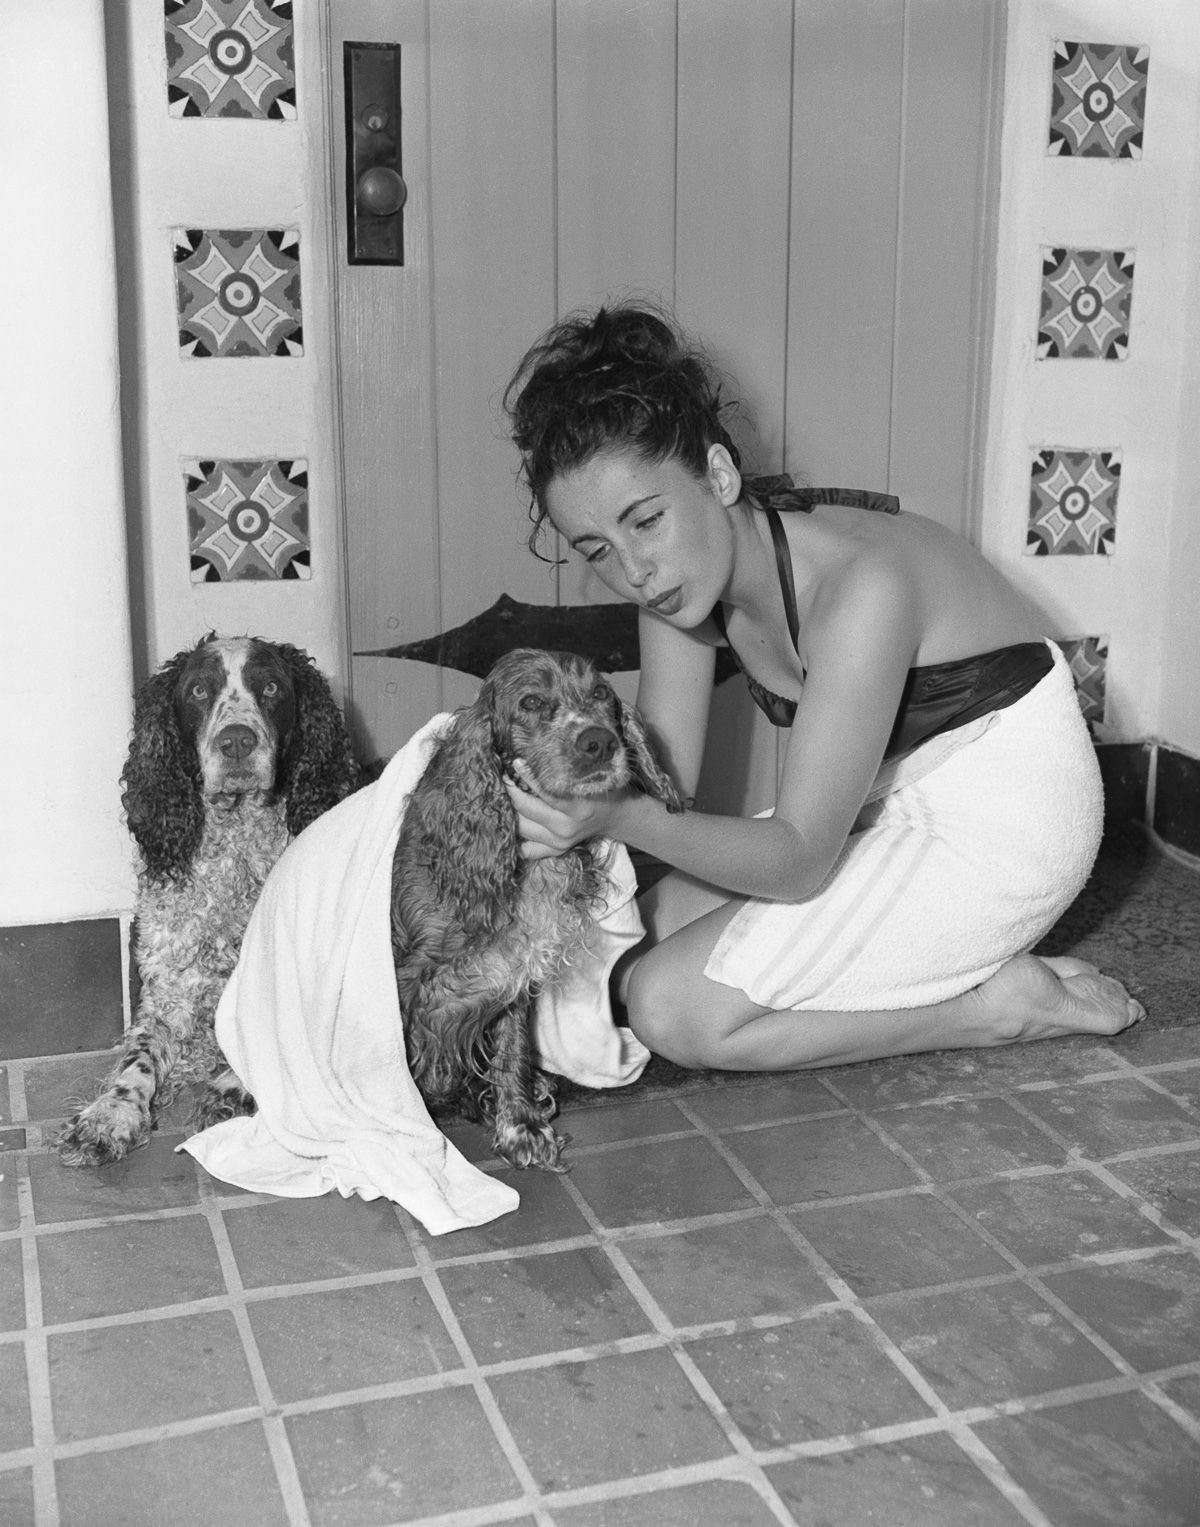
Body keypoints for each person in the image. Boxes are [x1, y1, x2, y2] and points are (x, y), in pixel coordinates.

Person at [500, 302, 1143, 1071]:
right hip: (886, 806)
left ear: (718, 472)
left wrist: (606, 813)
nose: (632, 569)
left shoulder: (860, 586)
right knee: (625, 939)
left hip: (1007, 829)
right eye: (597, 547)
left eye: (646, 520)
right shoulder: (677, 591)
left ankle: (993, 1009)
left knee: (670, 1007)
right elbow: (661, 787)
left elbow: (795, 856)